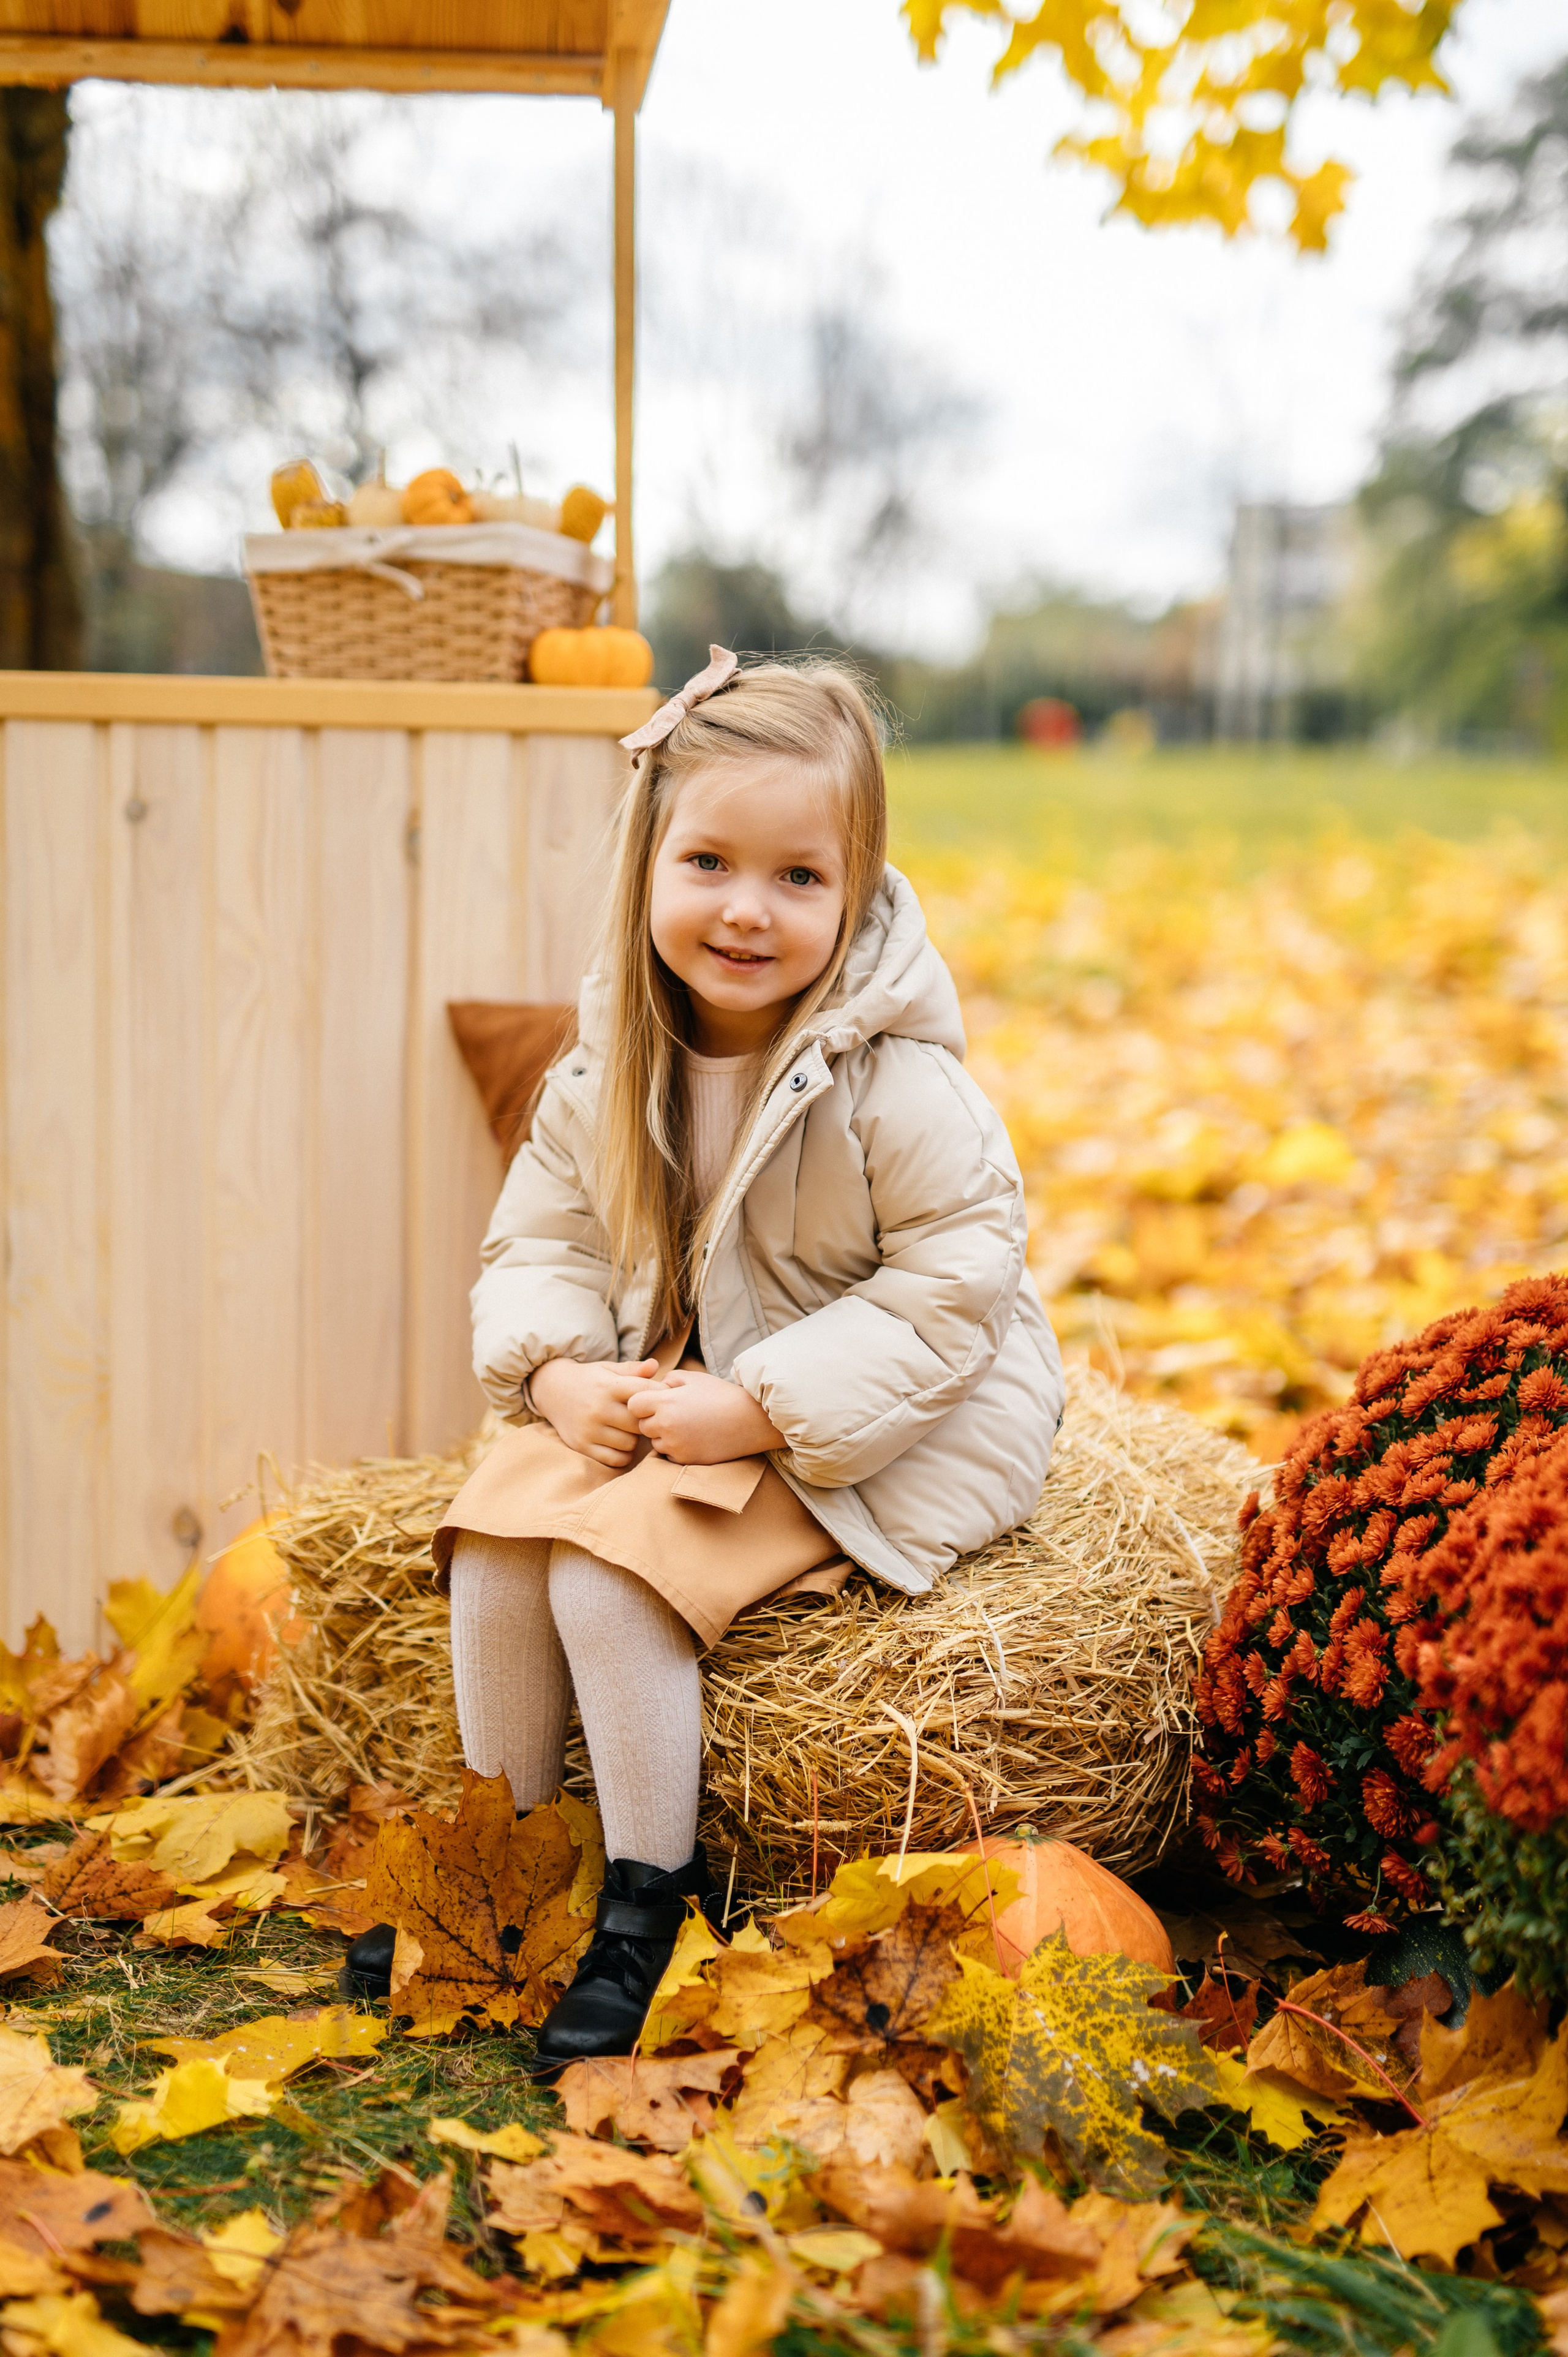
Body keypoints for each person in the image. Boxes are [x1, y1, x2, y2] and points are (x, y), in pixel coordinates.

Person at [345, 647, 1064, 2065]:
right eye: (710, 862)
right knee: (499, 1543)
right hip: (689, 1373)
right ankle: (503, 1870)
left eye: (799, 876)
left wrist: (760, 1408)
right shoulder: (610, 1063)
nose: (747, 908)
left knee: (610, 1579)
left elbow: (951, 1293)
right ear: (647, 866)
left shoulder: (896, 1080)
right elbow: (540, 1243)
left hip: (896, 1413)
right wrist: (557, 1375)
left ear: (856, 888)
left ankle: (642, 1905)